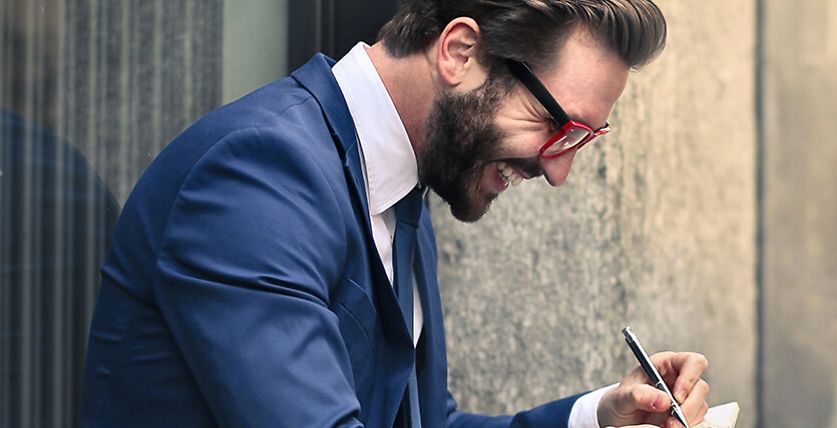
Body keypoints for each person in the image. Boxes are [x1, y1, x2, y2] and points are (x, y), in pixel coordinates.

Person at [80, 2, 710, 427]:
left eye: (582, 139)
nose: (557, 168)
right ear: (459, 51)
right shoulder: (258, 177)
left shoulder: (403, 179)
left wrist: (598, 418)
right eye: (555, 125)